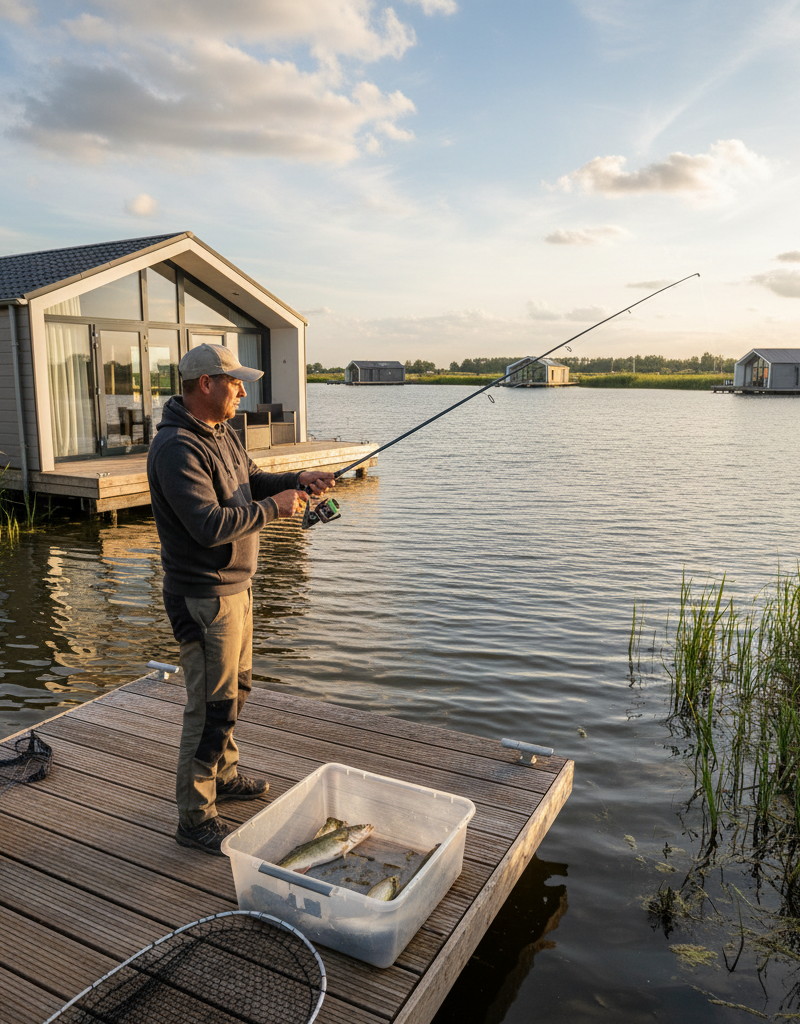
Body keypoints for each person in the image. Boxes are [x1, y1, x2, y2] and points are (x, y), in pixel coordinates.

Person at [147, 343, 335, 855]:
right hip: (203, 598)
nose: (243, 391)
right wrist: (276, 508)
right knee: (209, 709)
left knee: (237, 693)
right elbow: (208, 526)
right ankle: (194, 818)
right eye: (235, 382)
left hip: (236, 589)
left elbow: (251, 481)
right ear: (204, 384)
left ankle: (223, 777)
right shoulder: (176, 447)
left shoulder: (221, 432)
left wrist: (297, 480)